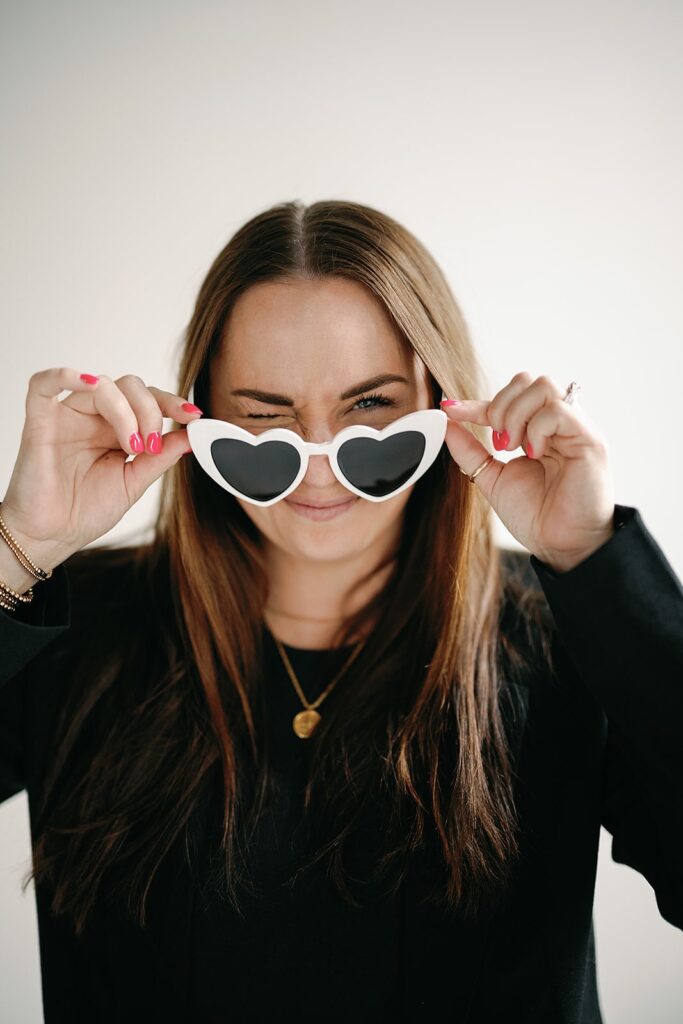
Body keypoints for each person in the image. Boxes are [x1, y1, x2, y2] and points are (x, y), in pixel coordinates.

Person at [0, 199, 681, 1023]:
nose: (319, 471)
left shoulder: (568, 631)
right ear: (198, 420)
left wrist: (592, 557)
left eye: (369, 411)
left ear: (443, 404)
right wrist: (19, 545)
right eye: (264, 419)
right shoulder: (75, 624)